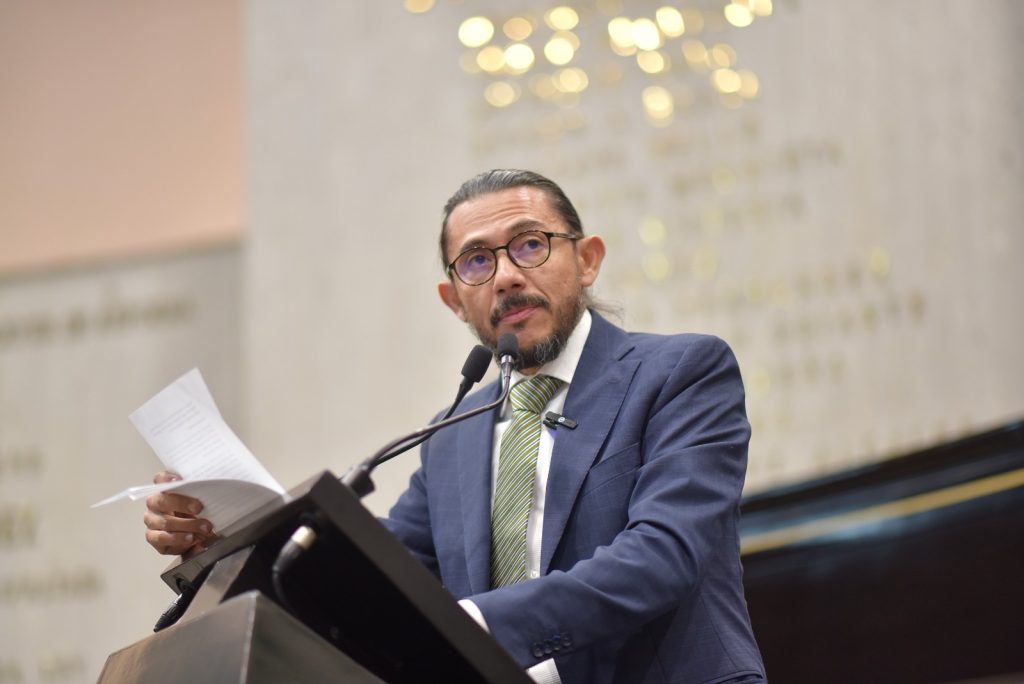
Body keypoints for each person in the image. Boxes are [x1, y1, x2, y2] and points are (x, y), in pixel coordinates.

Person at [145, 169, 766, 683]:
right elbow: (373, 579)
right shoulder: (454, 434)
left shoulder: (680, 373)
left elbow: (662, 556)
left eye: (531, 245)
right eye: (475, 261)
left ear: (587, 260)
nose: (507, 276)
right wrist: (222, 540)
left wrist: (477, 624)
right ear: (453, 300)